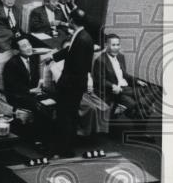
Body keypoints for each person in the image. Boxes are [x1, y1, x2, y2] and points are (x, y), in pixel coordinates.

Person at [43, 9, 94, 157]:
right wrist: (53, 57)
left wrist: (63, 85)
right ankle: (66, 148)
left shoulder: (82, 39)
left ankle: (63, 150)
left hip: (71, 85)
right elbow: (69, 51)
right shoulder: (82, 35)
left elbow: (77, 66)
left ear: (71, 21)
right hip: (75, 84)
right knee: (69, 116)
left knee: (65, 117)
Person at [95, 34, 147, 118]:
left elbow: (124, 74)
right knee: (136, 103)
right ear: (106, 46)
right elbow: (100, 80)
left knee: (145, 98)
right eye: (113, 45)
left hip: (125, 87)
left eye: (118, 45)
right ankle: (123, 111)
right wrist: (112, 85)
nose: (116, 48)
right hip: (114, 90)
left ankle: (127, 111)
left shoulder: (120, 56)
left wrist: (137, 81)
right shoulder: (100, 60)